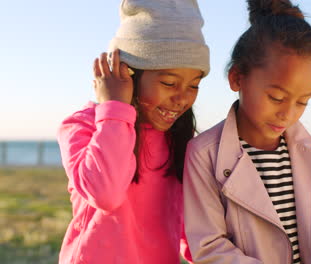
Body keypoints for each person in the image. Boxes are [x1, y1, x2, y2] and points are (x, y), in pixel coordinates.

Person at [183, 0, 311, 263]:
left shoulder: (309, 151)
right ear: (237, 78)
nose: (288, 113)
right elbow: (209, 247)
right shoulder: (203, 154)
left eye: (302, 101)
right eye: (277, 97)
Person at [57, 0, 209, 263]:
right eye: (169, 82)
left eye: (194, 85)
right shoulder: (83, 125)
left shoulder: (181, 140)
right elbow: (105, 193)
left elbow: (193, 234)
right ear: (127, 73)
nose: (182, 98)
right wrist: (114, 108)